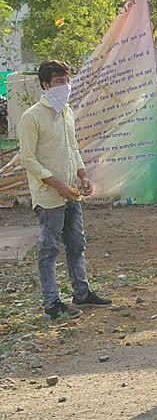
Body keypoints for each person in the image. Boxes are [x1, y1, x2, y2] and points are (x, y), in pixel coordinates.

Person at [18, 60, 112, 320]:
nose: (65, 87)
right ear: (45, 84)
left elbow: (72, 149)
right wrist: (56, 184)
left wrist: (83, 175)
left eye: (67, 81)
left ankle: (82, 292)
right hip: (49, 196)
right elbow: (28, 159)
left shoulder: (67, 112)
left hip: (71, 192)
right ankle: (52, 304)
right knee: (49, 249)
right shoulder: (32, 117)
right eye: (59, 82)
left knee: (77, 243)